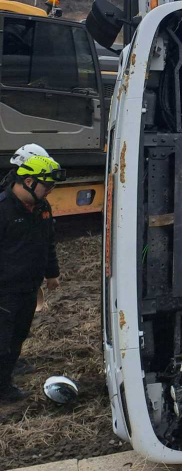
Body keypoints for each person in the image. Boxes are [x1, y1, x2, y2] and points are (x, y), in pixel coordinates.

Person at [0, 146, 63, 402]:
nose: (50, 191)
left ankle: (4, 381)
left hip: (28, 288)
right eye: (46, 186)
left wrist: (52, 273)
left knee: (17, 338)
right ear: (28, 181)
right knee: (2, 343)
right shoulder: (3, 209)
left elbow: (47, 241)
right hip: (4, 292)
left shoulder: (42, 207)